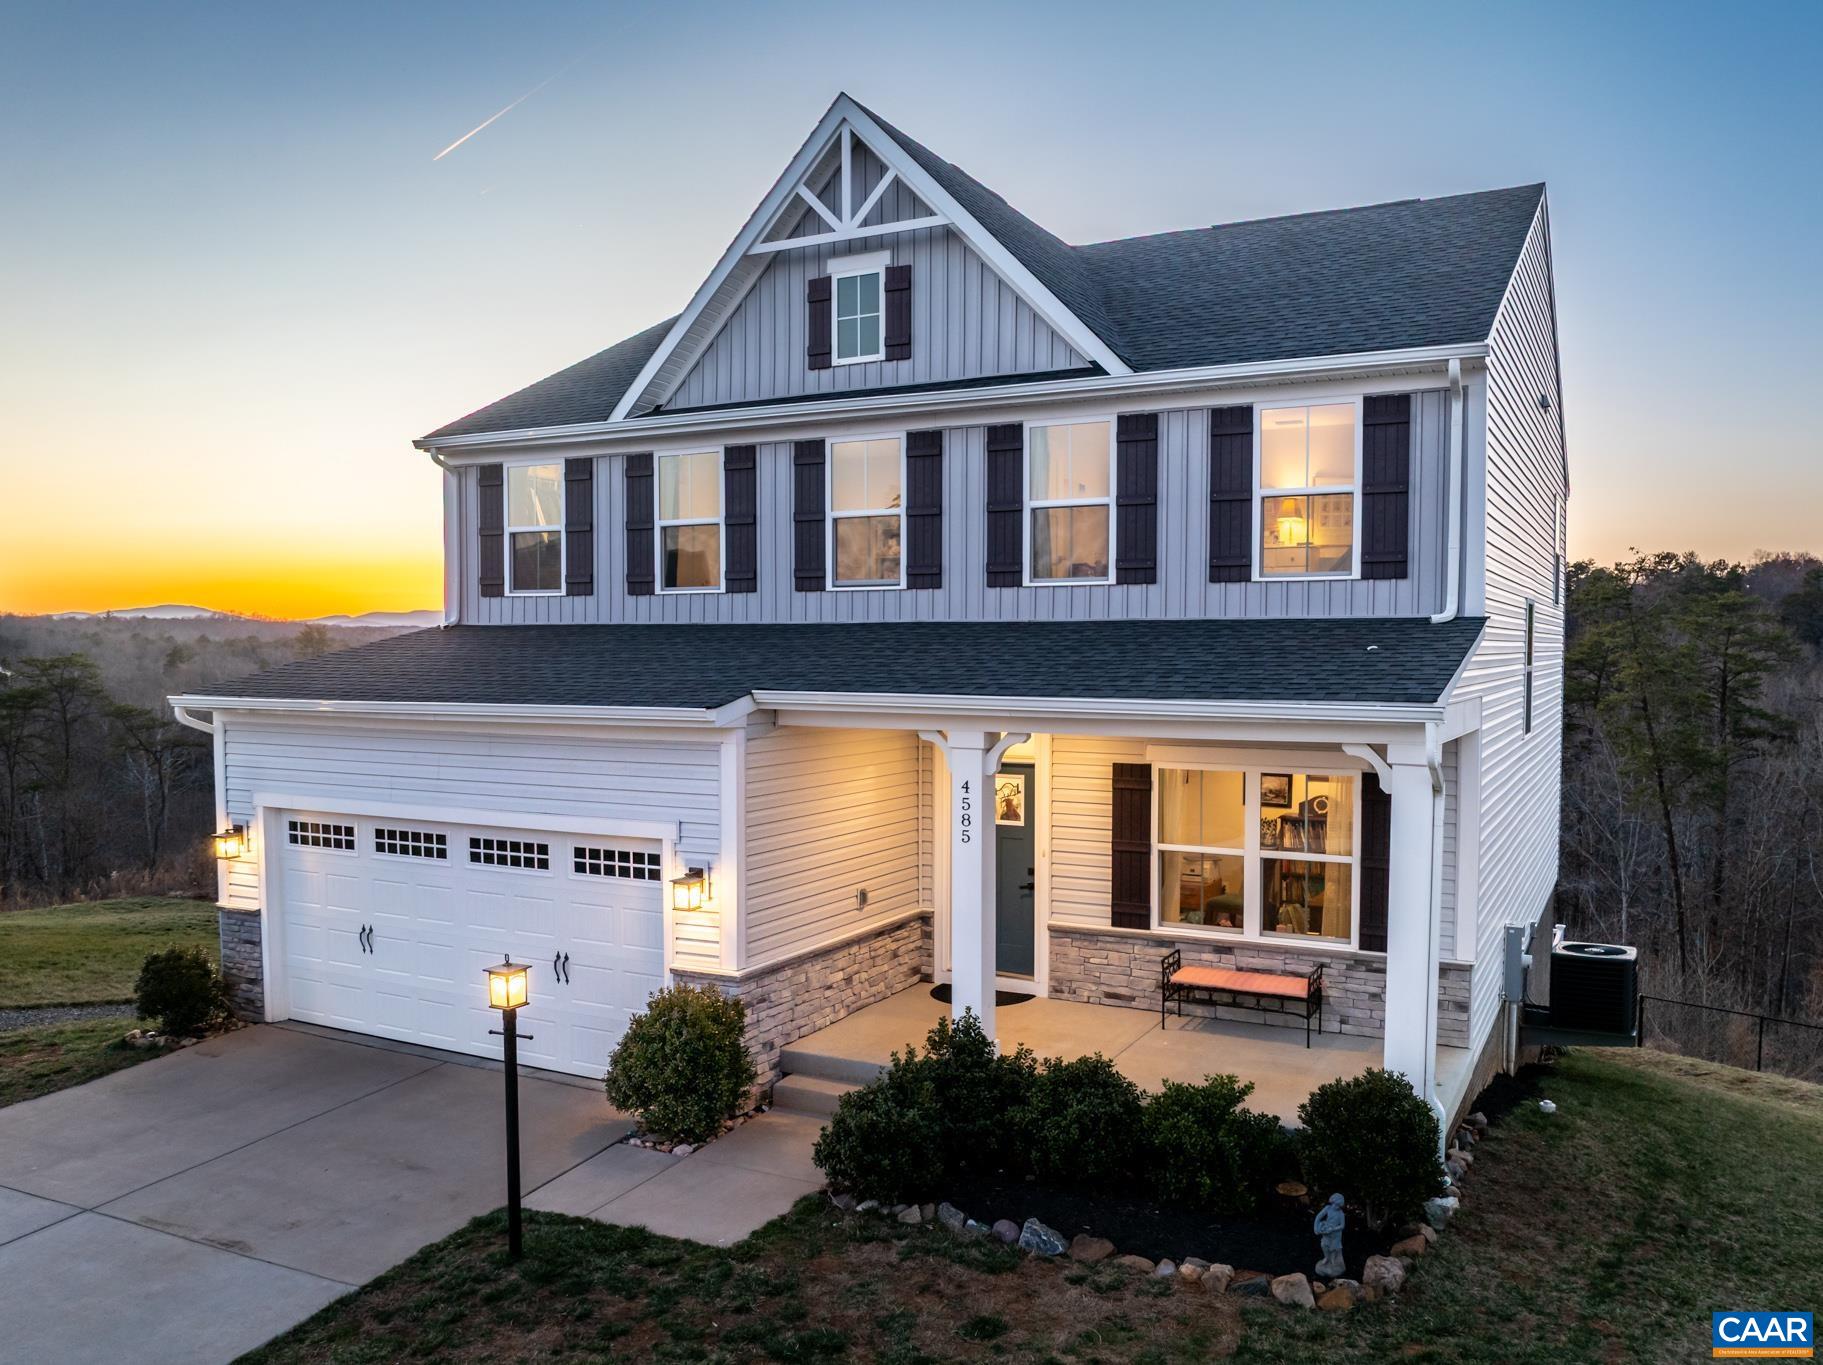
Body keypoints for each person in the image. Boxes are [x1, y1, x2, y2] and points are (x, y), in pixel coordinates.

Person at [1314, 1193, 1346, 1278]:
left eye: (1339, 1206)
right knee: (1324, 1245)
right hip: (1327, 1230)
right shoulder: (1327, 1209)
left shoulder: (1341, 1214)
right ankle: (1326, 1258)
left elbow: (1342, 1226)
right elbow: (1318, 1217)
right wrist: (1316, 1227)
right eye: (1336, 1205)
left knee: (1334, 1248)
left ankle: (1333, 1262)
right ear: (1332, 1202)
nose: (1337, 1207)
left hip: (1336, 1233)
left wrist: (1333, 1229)